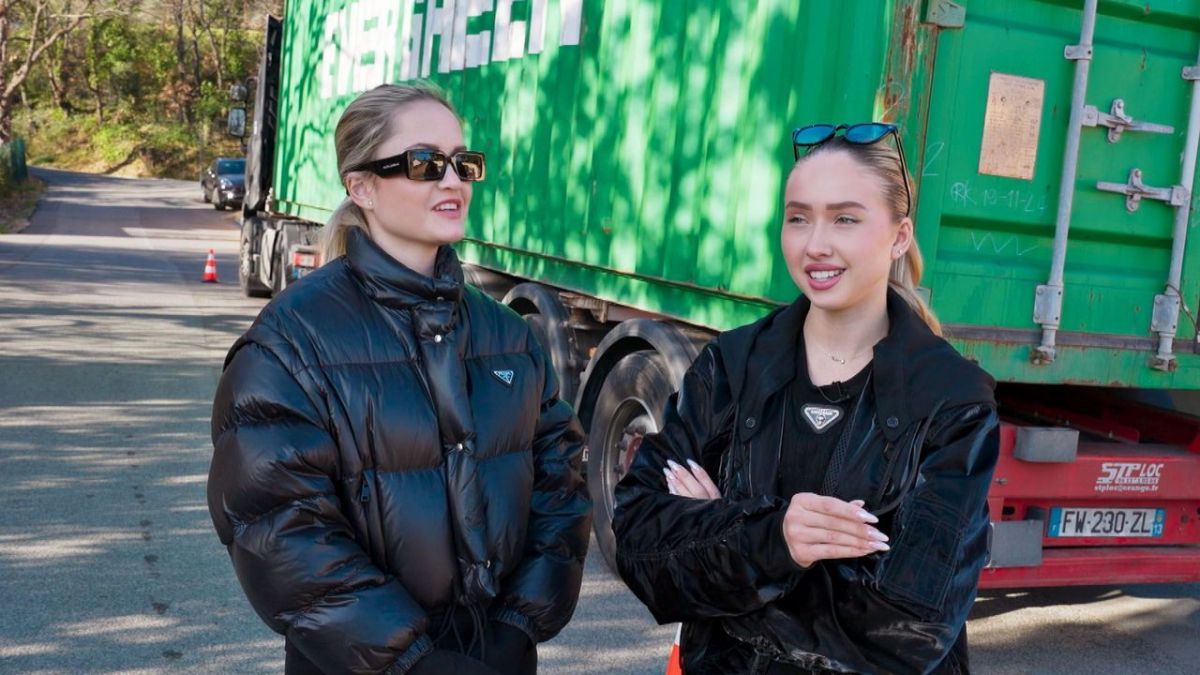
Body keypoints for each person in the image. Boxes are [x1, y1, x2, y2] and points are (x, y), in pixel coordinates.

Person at [207, 83, 591, 675]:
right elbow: (278, 523)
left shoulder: (509, 335)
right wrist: (410, 660)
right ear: (362, 187)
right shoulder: (290, 341)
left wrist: (519, 624)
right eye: (424, 163)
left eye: (463, 162)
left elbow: (560, 485)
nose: (453, 181)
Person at [613, 123, 999, 674]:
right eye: (798, 218)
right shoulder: (731, 366)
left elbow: (910, 629)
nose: (815, 243)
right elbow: (638, 545)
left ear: (899, 236)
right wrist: (776, 539)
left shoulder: (951, 399)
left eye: (845, 219)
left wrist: (723, 540)